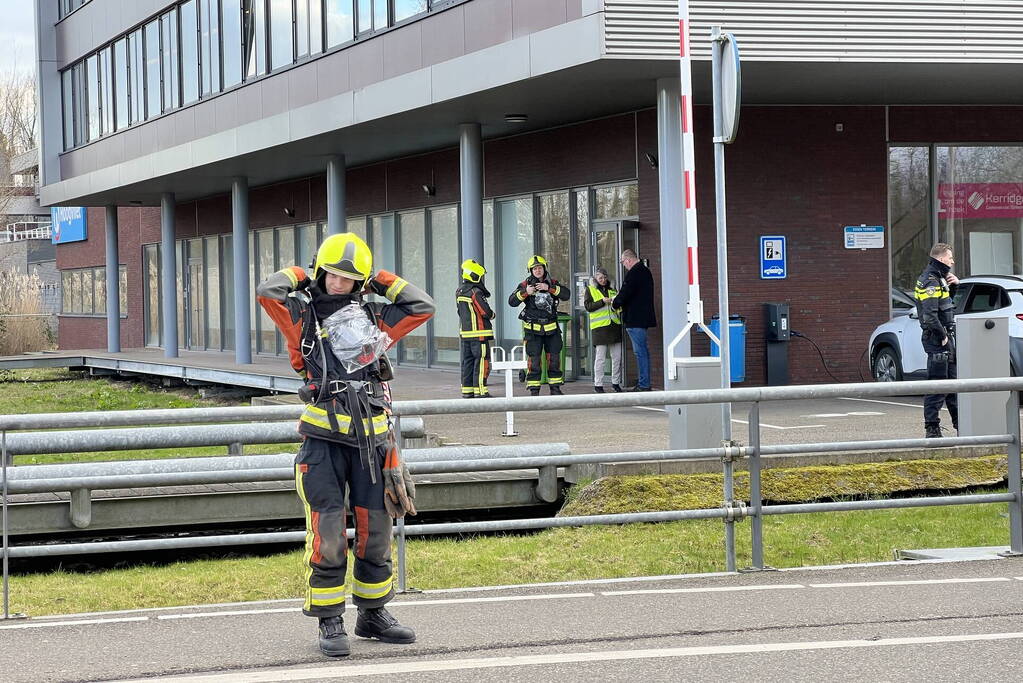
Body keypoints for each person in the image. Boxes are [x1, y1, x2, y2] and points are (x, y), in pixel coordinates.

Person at [256, 232, 434, 658]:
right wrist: (305, 273)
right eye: (334, 275)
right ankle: (329, 618)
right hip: (322, 442)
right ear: (322, 272)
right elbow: (268, 291)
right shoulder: (302, 313)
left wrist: (377, 280)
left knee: (376, 531)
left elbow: (422, 305)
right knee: (329, 532)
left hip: (374, 440)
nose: (341, 283)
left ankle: (373, 614)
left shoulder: (372, 315)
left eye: (350, 278)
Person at [915, 242, 959, 438]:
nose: (952, 261)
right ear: (941, 259)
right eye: (950, 258)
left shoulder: (940, 278)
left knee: (953, 386)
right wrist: (942, 337)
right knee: (937, 385)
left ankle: (962, 425)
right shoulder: (930, 281)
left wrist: (954, 287)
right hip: (937, 339)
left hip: (944, 338)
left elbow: (945, 306)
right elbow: (930, 316)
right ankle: (932, 429)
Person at [509, 254, 570, 395]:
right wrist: (525, 292)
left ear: (544, 268)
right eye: (534, 268)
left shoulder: (552, 282)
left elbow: (566, 294)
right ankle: (534, 390)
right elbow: (512, 301)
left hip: (552, 330)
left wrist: (549, 288)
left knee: (554, 360)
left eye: (539, 268)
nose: (537, 270)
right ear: (530, 271)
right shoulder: (525, 285)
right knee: (534, 361)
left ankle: (555, 388)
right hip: (533, 332)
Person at [612, 249, 657, 391]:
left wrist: (615, 303)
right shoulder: (645, 271)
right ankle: (644, 382)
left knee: (640, 352)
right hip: (642, 318)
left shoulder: (634, 273)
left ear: (628, 260)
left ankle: (644, 384)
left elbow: (625, 293)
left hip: (635, 318)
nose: (624, 265)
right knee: (642, 351)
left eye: (623, 262)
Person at [456, 258, 495, 398]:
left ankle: (467, 391)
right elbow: (486, 312)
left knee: (468, 362)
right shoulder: (475, 292)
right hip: (479, 334)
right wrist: (493, 315)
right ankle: (480, 391)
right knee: (481, 362)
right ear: (475, 275)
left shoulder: (459, 291)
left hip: (466, 334)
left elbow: (460, 312)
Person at [584, 266, 623, 393]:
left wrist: (615, 305)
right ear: (595, 279)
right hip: (600, 329)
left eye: (605, 277)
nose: (603, 279)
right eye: (600, 277)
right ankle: (598, 384)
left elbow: (619, 308)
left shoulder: (612, 289)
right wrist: (602, 301)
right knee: (600, 358)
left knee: (617, 357)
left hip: (614, 327)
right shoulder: (590, 290)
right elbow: (588, 306)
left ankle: (616, 383)